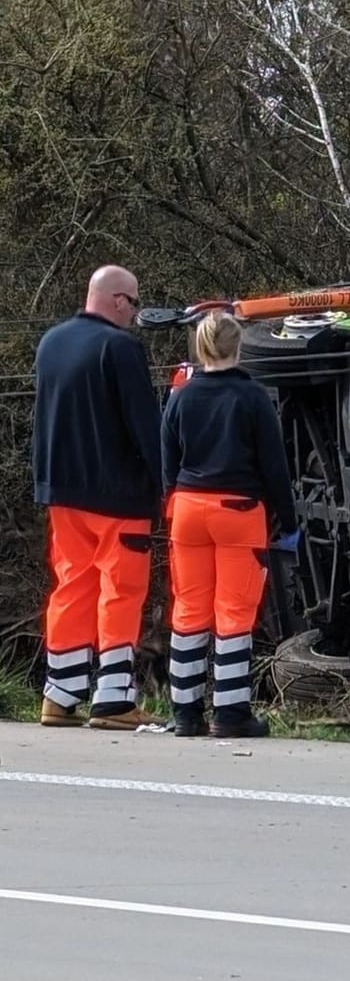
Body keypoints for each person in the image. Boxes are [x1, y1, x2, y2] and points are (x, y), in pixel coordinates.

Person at [32, 265, 166, 730]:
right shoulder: (120, 348)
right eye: (133, 302)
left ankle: (60, 693)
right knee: (121, 591)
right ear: (116, 300)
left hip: (62, 491)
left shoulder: (52, 343)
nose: (134, 312)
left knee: (72, 585)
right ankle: (113, 699)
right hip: (118, 494)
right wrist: (165, 483)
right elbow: (146, 426)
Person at [160, 311, 297, 739]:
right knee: (234, 612)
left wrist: (173, 499)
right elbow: (274, 465)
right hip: (238, 509)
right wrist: (288, 520)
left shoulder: (181, 396)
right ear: (238, 348)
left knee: (189, 608)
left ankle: (185, 712)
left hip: (187, 507)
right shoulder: (252, 397)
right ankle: (231, 711)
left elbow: (167, 458)